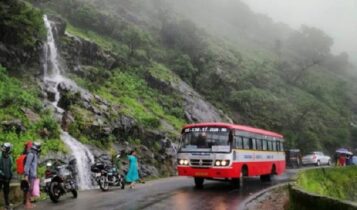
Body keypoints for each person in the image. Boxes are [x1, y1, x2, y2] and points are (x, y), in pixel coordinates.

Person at [24, 142, 41, 209]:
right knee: (29, 189)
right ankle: (27, 204)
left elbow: (34, 166)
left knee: (31, 190)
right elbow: (27, 165)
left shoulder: (35, 154)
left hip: (33, 175)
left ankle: (29, 203)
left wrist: (36, 174)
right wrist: (26, 175)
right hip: (30, 175)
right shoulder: (31, 154)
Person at [0, 143, 13, 210]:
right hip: (1, 177)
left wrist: (10, 175)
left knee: (6, 191)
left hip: (7, 177)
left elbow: (10, 167)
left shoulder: (10, 157)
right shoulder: (0, 156)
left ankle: (7, 204)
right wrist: (2, 174)